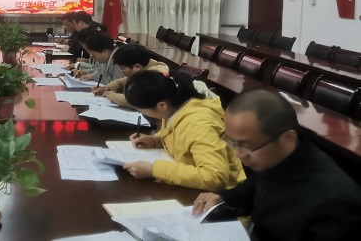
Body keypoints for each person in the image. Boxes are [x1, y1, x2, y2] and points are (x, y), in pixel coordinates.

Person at [192, 89, 361, 240]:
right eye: (232, 142)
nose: (238, 154)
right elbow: (254, 187)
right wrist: (222, 198)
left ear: (287, 139)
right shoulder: (277, 158)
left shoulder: (336, 203)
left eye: (247, 146)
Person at [123, 70, 245, 191]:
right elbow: (179, 136)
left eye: (143, 111)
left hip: (225, 193)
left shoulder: (198, 124)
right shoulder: (174, 107)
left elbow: (215, 177)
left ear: (161, 105)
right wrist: (156, 140)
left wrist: (153, 170)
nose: (144, 114)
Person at [92, 44, 169, 107]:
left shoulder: (154, 75)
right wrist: (106, 88)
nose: (121, 71)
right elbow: (122, 81)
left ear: (136, 67)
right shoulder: (143, 67)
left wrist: (111, 95)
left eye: (123, 68)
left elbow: (135, 100)